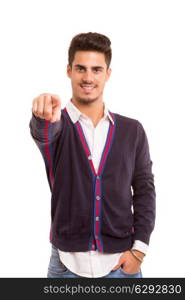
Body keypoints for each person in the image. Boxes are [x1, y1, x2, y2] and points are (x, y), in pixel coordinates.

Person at [29, 32, 156, 278]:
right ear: (69, 70)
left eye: (96, 69)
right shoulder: (58, 124)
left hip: (120, 266)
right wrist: (42, 116)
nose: (88, 77)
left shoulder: (132, 130)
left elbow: (145, 191)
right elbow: (44, 133)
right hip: (65, 266)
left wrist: (139, 251)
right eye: (81, 68)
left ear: (108, 74)